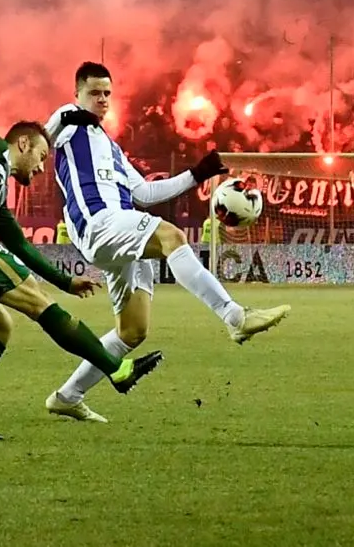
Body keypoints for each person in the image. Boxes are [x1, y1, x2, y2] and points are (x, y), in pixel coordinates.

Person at [41, 62, 289, 423]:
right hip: (97, 224)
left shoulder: (111, 149)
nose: (102, 100)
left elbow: (145, 192)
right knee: (172, 236)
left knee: (132, 331)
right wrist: (66, 119)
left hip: (120, 229)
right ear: (77, 94)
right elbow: (42, 139)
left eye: (107, 93)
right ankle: (234, 316)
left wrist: (198, 173)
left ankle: (67, 396)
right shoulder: (68, 125)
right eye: (94, 93)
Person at [0, 121, 162, 439]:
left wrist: (65, 282)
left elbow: (21, 246)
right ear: (24, 144)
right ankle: (117, 369)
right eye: (41, 155)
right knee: (38, 302)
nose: (42, 167)